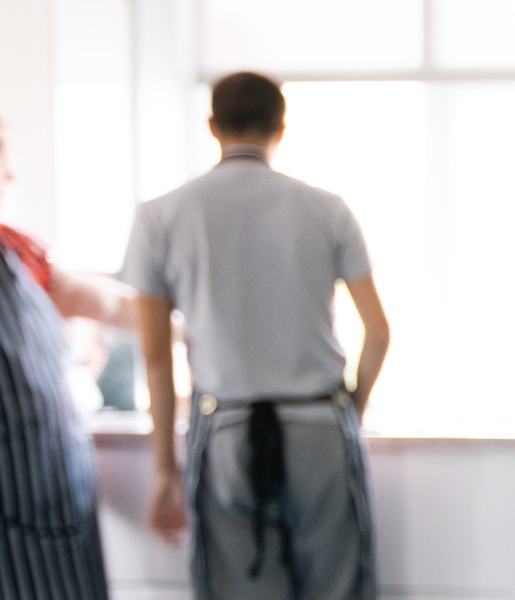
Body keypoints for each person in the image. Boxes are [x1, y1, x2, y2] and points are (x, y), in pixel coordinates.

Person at [121, 71, 390, 600]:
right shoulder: (327, 208)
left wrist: (164, 471)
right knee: (337, 587)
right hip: (318, 423)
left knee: (239, 586)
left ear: (213, 126)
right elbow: (378, 332)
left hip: (225, 429)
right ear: (280, 128)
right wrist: (347, 415)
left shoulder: (160, 216)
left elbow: (154, 358)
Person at [0, 105, 140, 599]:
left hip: (54, 496)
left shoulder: (12, 249)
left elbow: (113, 304)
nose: (12, 174)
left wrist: (204, 324)